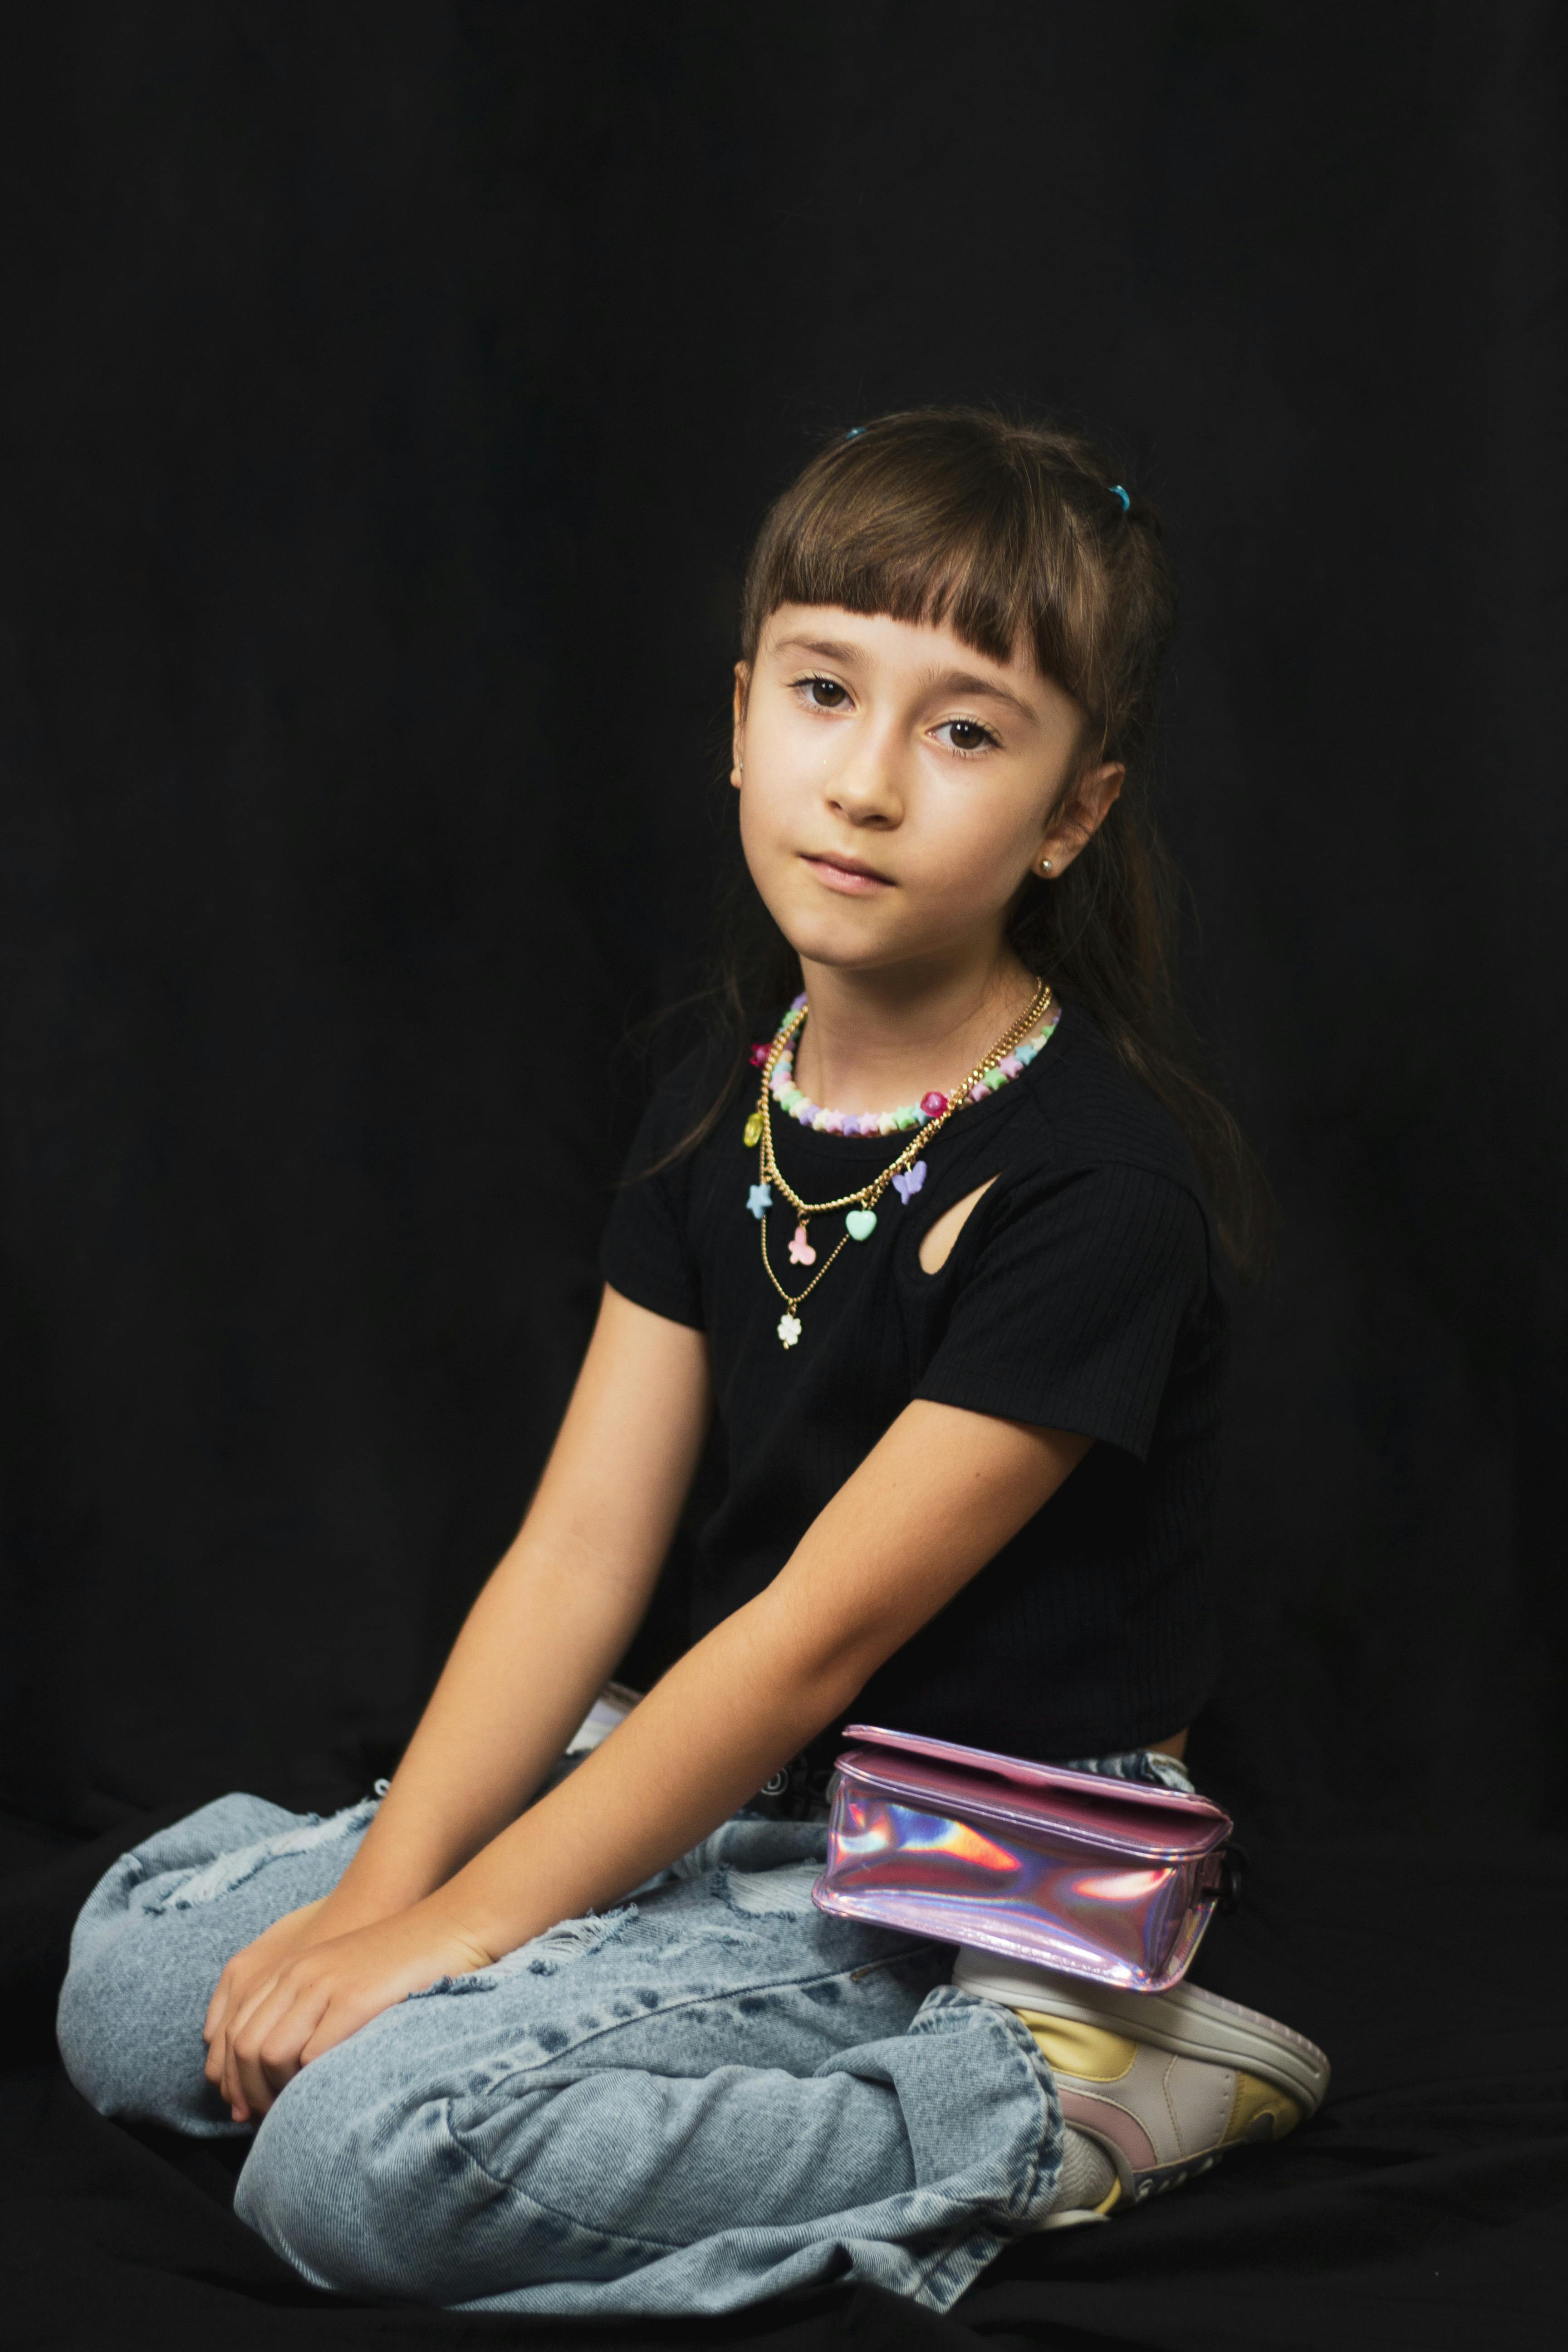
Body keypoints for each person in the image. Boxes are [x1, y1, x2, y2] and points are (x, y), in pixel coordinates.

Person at [57, 409, 1328, 2320]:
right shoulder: (714, 1116)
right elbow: (577, 1563)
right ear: (742, 718)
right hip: (707, 1786)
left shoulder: (1093, 1194)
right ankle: (556, 1984)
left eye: (966, 729)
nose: (871, 783)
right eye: (826, 693)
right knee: (132, 1992)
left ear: (1075, 815)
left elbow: (815, 1636)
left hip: (953, 1873)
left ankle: (1055, 2103)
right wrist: (379, 1900)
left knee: (354, 2165)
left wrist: (460, 1930)